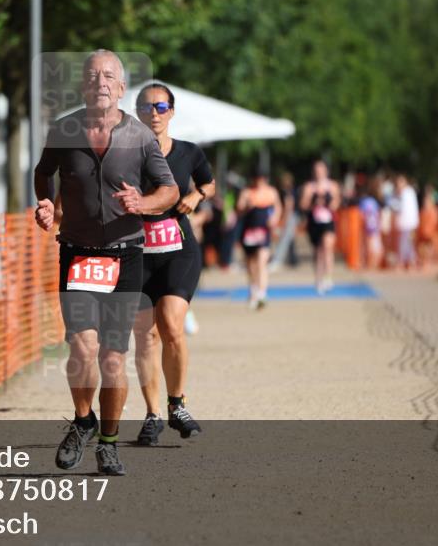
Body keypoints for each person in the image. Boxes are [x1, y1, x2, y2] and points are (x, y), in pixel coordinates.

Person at [34, 51, 179, 476]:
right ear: (83, 86)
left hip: (125, 255)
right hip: (77, 253)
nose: (101, 81)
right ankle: (83, 422)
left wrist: (144, 202)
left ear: (120, 88)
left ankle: (110, 443)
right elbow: (44, 173)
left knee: (113, 359)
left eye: (109, 76)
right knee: (82, 349)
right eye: (93, 75)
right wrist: (44, 203)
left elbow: (168, 191)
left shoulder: (139, 138)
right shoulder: (63, 129)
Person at [129, 83, 215, 446]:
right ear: (137, 113)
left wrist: (195, 195)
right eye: (147, 107)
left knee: (171, 327)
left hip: (179, 250)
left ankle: (177, 403)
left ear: (172, 112)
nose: (155, 113)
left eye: (162, 106)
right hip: (135, 252)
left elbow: (209, 184)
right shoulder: (125, 154)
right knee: (145, 337)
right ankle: (152, 415)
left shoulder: (189, 153)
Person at [236, 167, 280, 309]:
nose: (259, 181)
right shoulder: (247, 192)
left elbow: (278, 208)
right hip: (249, 231)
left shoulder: (271, 192)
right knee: (251, 264)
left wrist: (274, 219)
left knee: (262, 261)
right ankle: (253, 289)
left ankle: (262, 293)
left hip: (264, 231)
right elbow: (239, 209)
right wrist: (247, 206)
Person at [299, 160, 341, 293]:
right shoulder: (309, 187)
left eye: (321, 170)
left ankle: (328, 277)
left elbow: (336, 203)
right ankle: (318, 278)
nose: (319, 173)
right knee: (318, 251)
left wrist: (327, 202)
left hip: (328, 221)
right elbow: (303, 205)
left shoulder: (332, 185)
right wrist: (313, 202)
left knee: (328, 246)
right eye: (317, 171)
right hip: (314, 222)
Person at [391, 174, 419, 269]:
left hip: (407, 224)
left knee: (405, 243)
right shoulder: (407, 192)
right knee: (408, 243)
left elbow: (399, 207)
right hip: (408, 223)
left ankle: (403, 262)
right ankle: (411, 261)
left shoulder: (406, 193)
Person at [359, 177, 383, 270]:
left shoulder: (368, 201)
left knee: (372, 246)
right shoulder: (369, 202)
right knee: (372, 246)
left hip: (372, 226)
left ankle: (370, 264)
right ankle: (370, 264)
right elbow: (365, 215)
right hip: (371, 227)